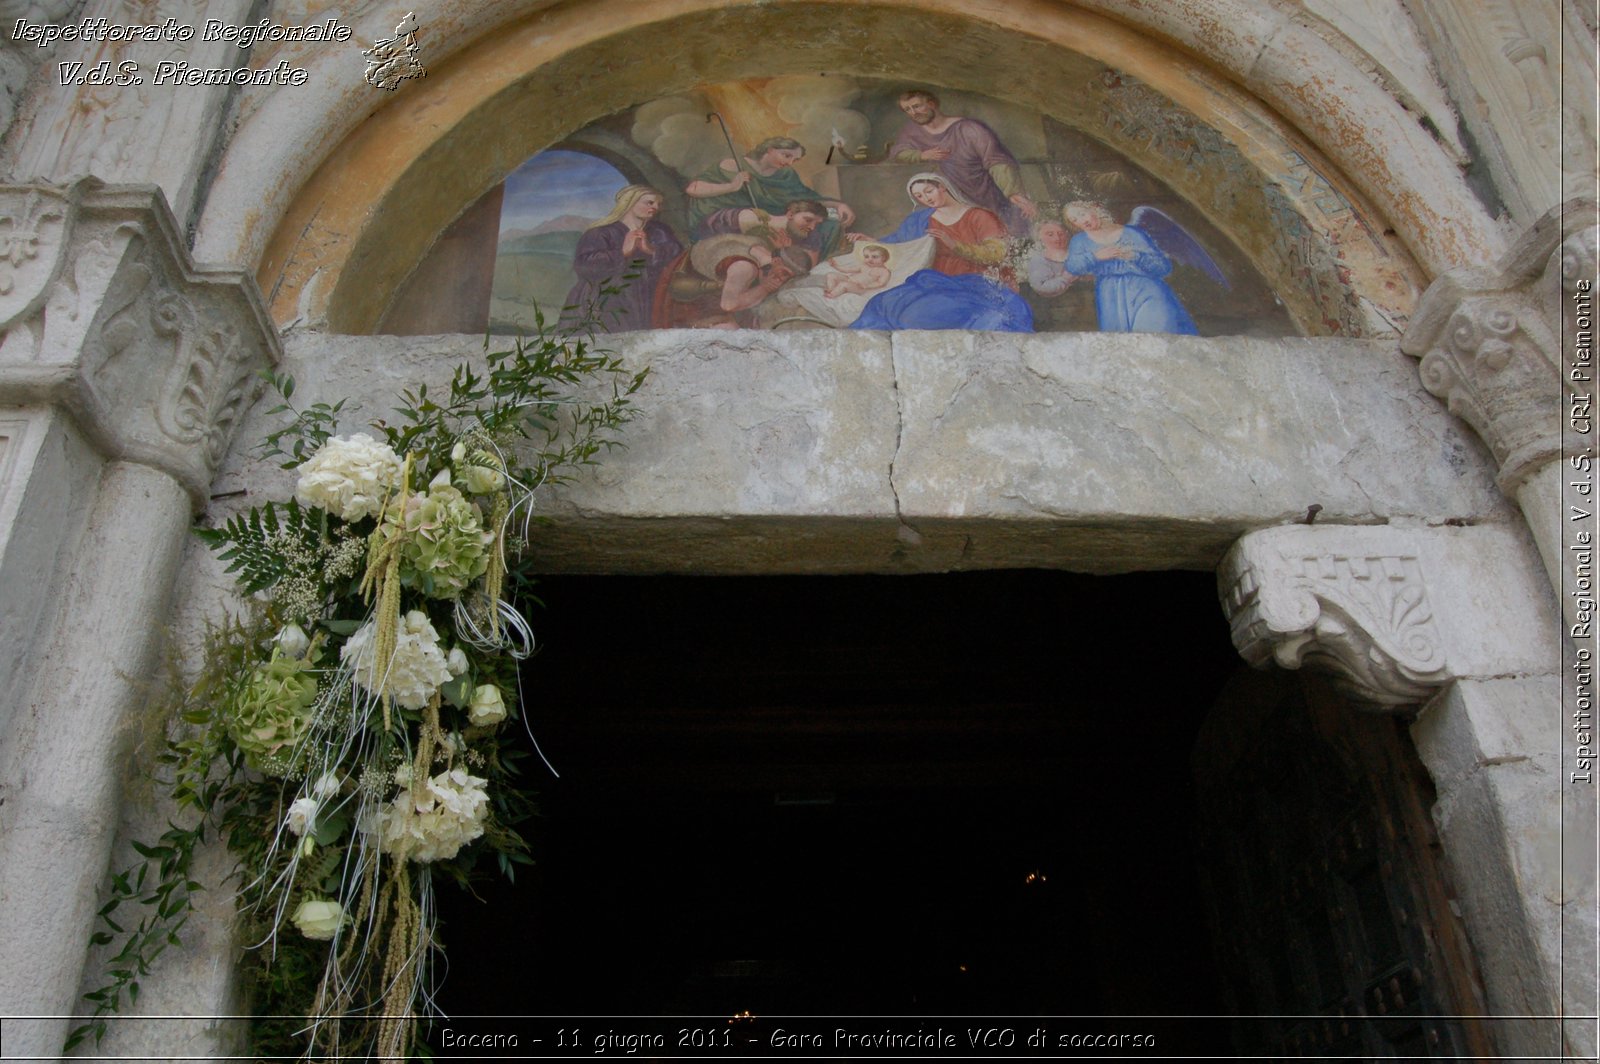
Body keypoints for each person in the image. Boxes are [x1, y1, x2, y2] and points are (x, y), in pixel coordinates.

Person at [849, 173, 1032, 332]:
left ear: (942, 187)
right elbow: (899, 242)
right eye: (919, 196)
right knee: (883, 303)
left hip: (976, 282)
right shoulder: (920, 220)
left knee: (922, 314)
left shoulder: (979, 216)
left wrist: (954, 245)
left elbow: (997, 253)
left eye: (929, 191)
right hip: (932, 280)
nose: (926, 199)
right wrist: (872, 241)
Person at [891, 89, 1038, 234]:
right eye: (907, 109)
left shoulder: (969, 128)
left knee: (1004, 229)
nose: (913, 113)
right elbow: (898, 153)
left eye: (916, 106)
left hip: (986, 190)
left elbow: (996, 161)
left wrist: (1013, 192)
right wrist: (922, 155)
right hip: (956, 194)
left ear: (932, 104)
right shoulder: (912, 131)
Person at [684, 136, 855, 254]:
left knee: (829, 226)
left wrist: (839, 205)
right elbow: (693, 189)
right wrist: (732, 185)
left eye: (794, 160)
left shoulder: (786, 175)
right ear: (770, 150)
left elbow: (808, 198)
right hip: (729, 220)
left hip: (771, 218)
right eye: (786, 155)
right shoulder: (733, 165)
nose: (789, 163)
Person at [1062, 201, 1199, 335]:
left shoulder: (1132, 233)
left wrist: (1136, 256)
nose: (1082, 221)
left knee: (1155, 337)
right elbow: (1072, 267)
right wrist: (1095, 257)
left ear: (1094, 209)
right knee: (1122, 344)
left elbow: (1163, 268)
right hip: (1110, 296)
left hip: (1146, 290)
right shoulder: (1080, 241)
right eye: (1075, 220)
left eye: (1082, 214)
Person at [560, 185, 683, 332]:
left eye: (658, 204)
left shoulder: (659, 231)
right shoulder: (600, 232)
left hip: (650, 296)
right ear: (629, 202)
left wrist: (650, 250)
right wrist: (623, 252)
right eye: (649, 202)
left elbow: (679, 255)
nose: (655, 207)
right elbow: (584, 266)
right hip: (609, 298)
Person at [694, 198, 829, 267]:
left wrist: (784, 251)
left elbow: (806, 268)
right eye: (808, 220)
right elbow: (709, 233)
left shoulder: (811, 236)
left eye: (817, 224)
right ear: (790, 214)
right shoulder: (749, 219)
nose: (812, 227)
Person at [1025, 220, 1078, 297]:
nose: (1057, 238)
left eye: (1060, 234)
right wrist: (1065, 279)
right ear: (1040, 237)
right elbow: (1040, 287)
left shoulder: (1077, 255)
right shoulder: (1039, 260)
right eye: (1050, 235)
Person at [824, 244, 892, 299]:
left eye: (874, 257)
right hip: (849, 279)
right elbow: (848, 270)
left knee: (844, 284)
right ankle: (831, 289)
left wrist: (867, 286)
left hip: (859, 287)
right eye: (866, 257)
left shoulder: (884, 271)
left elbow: (881, 283)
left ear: (884, 258)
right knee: (831, 275)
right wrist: (835, 266)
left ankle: (831, 295)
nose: (870, 259)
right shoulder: (864, 265)